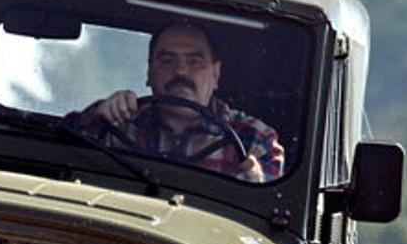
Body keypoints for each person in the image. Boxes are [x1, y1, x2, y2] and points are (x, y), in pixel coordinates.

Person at [66, 21, 285, 183]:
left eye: (194, 62)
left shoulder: (254, 139)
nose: (180, 71)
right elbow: (61, 149)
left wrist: (255, 181)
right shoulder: (118, 123)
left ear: (215, 74)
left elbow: (269, 208)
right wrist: (98, 116)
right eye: (167, 61)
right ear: (149, 72)